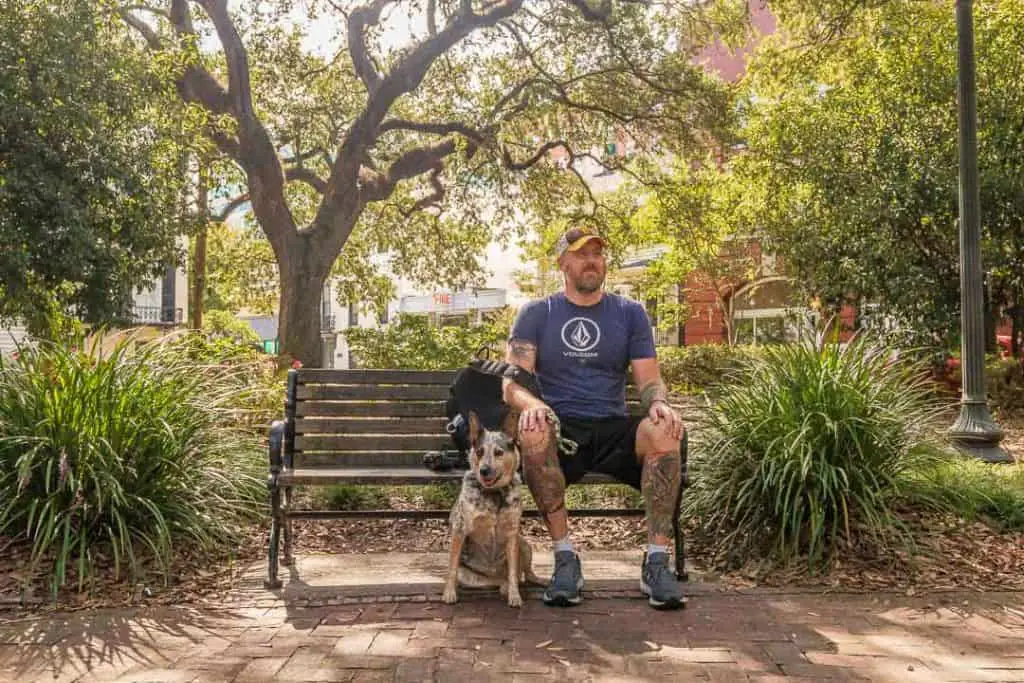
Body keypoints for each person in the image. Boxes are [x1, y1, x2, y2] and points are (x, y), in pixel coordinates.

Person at [502, 227, 686, 610]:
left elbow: (649, 380)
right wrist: (532, 404)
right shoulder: (538, 313)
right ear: (563, 264)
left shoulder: (629, 313)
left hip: (613, 424)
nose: (592, 261)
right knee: (533, 431)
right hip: (562, 427)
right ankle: (565, 558)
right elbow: (512, 384)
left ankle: (656, 562)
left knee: (664, 431)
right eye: (582, 254)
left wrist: (659, 403)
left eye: (598, 254)